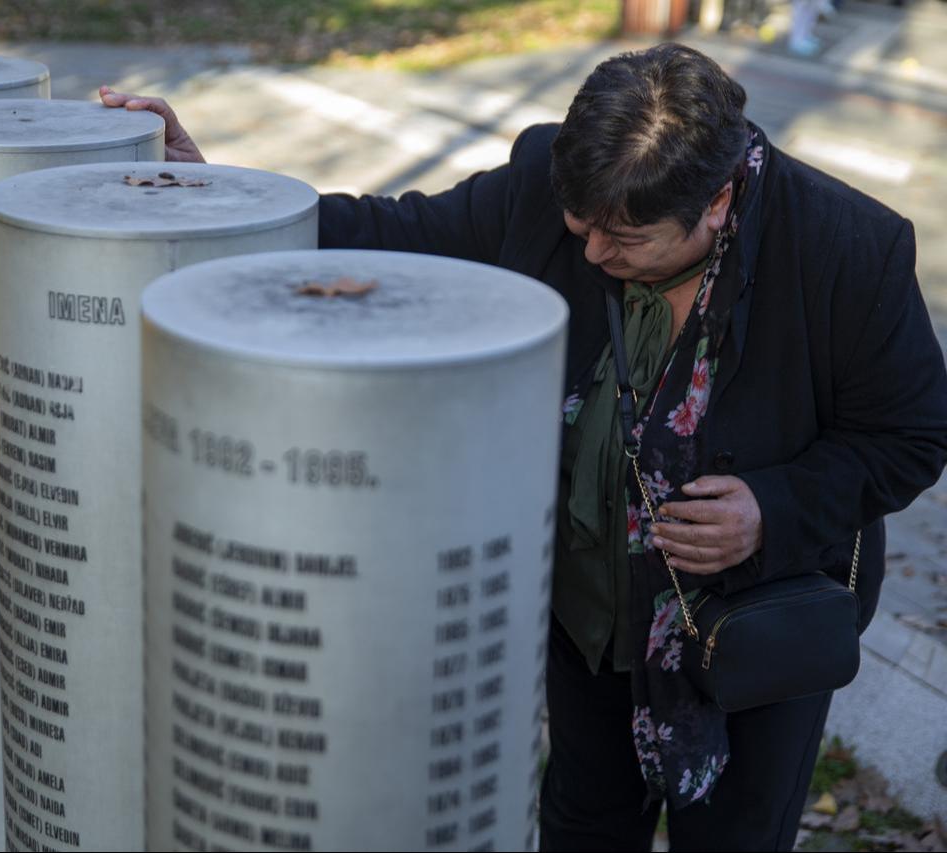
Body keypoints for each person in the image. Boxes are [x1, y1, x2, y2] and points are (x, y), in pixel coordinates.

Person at [100, 42, 947, 851]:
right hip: (588, 625)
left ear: (718, 201)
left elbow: (914, 433)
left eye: (624, 241)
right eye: (580, 226)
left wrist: (773, 509)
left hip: (755, 638)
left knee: (734, 835)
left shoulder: (847, 249)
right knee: (581, 824)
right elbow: (393, 233)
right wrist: (226, 196)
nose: (590, 253)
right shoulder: (551, 179)